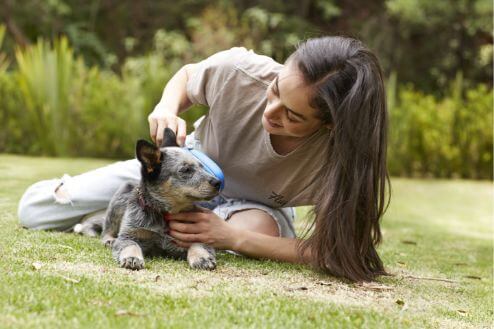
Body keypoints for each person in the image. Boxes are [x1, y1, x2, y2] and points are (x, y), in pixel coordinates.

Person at [17, 36, 390, 282]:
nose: (270, 113)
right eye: (275, 90)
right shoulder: (239, 71)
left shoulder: (341, 159)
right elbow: (186, 76)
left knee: (256, 229)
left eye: (292, 116)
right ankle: (116, 220)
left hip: (252, 210)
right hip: (177, 172)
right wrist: (166, 106)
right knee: (36, 210)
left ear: (330, 126)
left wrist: (234, 238)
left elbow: (341, 251)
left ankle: (184, 234)